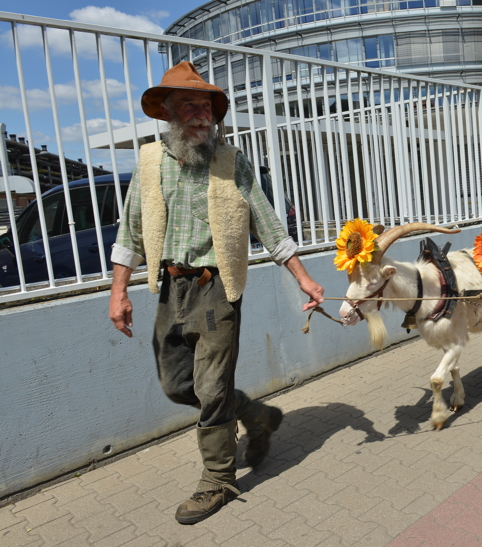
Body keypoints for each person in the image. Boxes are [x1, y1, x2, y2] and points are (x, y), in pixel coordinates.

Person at [108, 62, 325, 525]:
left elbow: (267, 222)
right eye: (189, 104)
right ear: (167, 111)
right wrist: (118, 293)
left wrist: (303, 278)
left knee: (210, 387)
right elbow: (130, 233)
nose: (200, 114)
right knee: (176, 385)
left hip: (217, 290)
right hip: (170, 288)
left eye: (206, 105)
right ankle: (255, 413)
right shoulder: (149, 162)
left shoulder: (233, 161)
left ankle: (219, 480)